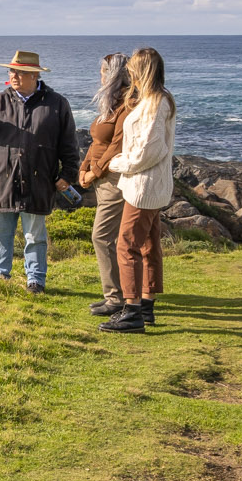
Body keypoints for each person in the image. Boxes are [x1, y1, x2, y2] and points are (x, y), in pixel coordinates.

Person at [0, 49, 80, 295]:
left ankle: (36, 280)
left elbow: (69, 143)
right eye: (12, 71)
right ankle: (0, 275)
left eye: (21, 72)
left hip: (39, 179)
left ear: (34, 75)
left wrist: (68, 173)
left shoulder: (57, 103)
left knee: (35, 235)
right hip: (2, 179)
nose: (15, 75)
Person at [100, 47, 176, 333]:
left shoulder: (155, 103)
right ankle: (146, 305)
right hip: (150, 183)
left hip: (143, 185)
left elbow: (150, 150)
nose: (128, 71)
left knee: (126, 243)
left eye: (132, 67)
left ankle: (131, 310)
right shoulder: (156, 100)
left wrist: (119, 163)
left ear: (141, 69)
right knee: (148, 243)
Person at [75, 52, 134, 317]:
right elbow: (97, 142)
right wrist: (84, 167)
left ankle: (116, 298)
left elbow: (117, 146)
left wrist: (94, 172)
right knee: (110, 236)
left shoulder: (128, 105)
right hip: (101, 177)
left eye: (103, 70)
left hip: (113, 179)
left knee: (102, 235)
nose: (100, 74)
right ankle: (116, 295)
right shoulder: (110, 103)